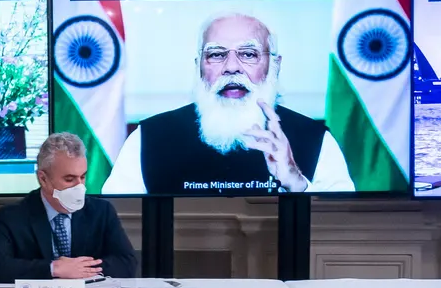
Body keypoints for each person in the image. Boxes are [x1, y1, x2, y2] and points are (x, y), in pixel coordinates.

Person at [106, 12, 353, 193]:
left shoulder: (316, 140)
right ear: (199, 67)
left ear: (274, 66)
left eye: (248, 54)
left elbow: (342, 231)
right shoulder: (148, 138)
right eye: (216, 54)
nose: (232, 67)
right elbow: (117, 222)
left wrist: (296, 181)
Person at [0, 132, 138, 286]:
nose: (79, 187)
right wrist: (54, 268)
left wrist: (80, 269)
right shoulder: (12, 216)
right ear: (43, 178)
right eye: (69, 179)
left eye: (82, 177)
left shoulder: (101, 211)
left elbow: (127, 262)